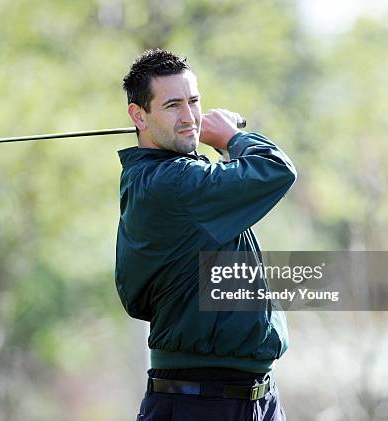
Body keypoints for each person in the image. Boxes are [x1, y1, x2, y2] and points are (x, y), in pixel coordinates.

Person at [115, 49, 297, 421]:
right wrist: (232, 138)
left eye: (193, 101)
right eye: (172, 106)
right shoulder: (172, 183)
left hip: (254, 399)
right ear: (138, 116)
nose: (188, 117)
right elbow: (276, 170)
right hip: (201, 401)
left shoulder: (174, 178)